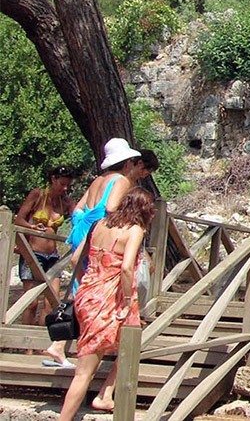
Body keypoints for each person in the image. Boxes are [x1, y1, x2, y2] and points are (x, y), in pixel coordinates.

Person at [44, 140, 156, 368]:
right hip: (99, 235)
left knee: (83, 286)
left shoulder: (98, 180)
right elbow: (111, 208)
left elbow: (78, 210)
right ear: (127, 163)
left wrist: (82, 227)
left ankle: (64, 343)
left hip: (83, 230)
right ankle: (79, 343)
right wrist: (124, 227)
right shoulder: (121, 181)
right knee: (97, 288)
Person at [58, 187, 154, 421]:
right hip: (111, 299)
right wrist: (130, 300)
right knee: (85, 372)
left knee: (129, 345)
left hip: (88, 293)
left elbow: (74, 259)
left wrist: (90, 280)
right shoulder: (134, 230)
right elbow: (126, 267)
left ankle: (105, 394)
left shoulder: (99, 224)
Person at [14, 166, 76, 327]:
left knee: (52, 302)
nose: (65, 188)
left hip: (53, 257)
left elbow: (78, 217)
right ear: (53, 179)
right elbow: (18, 220)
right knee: (31, 302)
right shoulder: (38, 195)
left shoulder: (64, 202)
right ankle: (26, 346)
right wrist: (32, 227)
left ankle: (40, 342)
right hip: (32, 254)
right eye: (62, 184)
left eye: (67, 185)